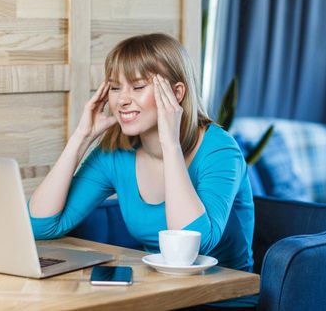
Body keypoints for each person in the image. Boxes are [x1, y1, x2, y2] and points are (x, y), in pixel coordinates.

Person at [27, 33, 256, 308]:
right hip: (155, 298)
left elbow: (196, 245)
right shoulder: (115, 154)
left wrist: (169, 143)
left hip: (220, 301)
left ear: (176, 93)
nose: (122, 100)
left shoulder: (219, 151)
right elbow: (41, 225)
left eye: (137, 87)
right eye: (114, 87)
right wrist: (81, 137)